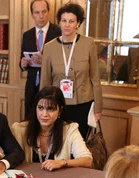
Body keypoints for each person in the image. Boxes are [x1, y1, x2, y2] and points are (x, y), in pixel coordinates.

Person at [40, 3, 103, 140]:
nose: (67, 25)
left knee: (81, 143)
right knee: (59, 141)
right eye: (64, 21)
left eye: (71, 21)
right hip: (58, 105)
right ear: (59, 22)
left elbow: (95, 78)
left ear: (78, 23)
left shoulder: (89, 44)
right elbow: (45, 81)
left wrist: (98, 109)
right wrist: (45, 107)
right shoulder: (49, 47)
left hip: (84, 104)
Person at [11, 86, 92, 171]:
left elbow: (87, 160)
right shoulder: (19, 129)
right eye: (41, 108)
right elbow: (9, 158)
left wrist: (62, 162)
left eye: (50, 109)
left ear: (60, 111)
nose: (44, 114)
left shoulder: (70, 130)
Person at [20, 0, 61, 119]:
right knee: (30, 119)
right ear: (32, 14)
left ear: (48, 12)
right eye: (37, 12)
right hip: (32, 86)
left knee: (49, 119)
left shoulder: (58, 32)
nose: (41, 16)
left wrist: (46, 62)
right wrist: (23, 64)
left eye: (44, 12)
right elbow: (21, 61)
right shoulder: (27, 35)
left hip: (51, 85)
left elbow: (63, 62)